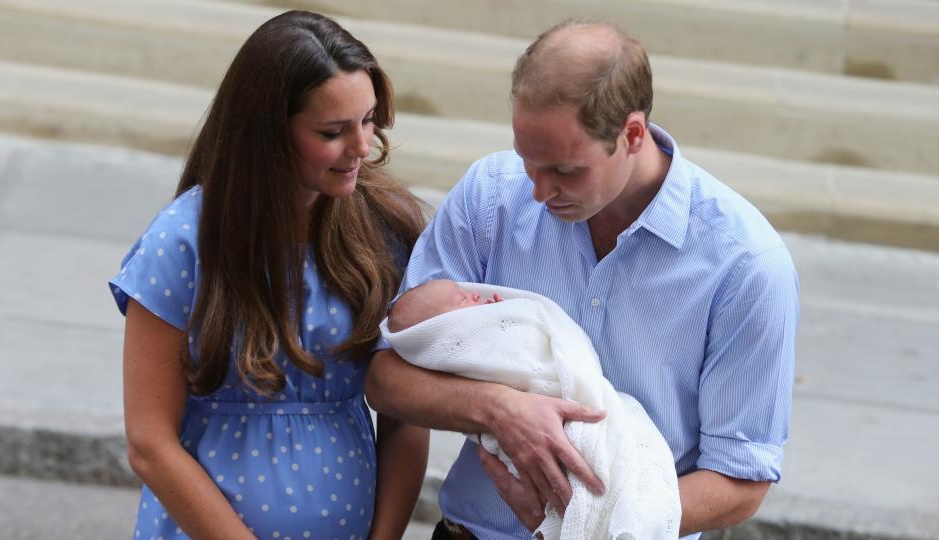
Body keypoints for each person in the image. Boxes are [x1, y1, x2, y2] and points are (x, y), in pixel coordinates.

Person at [365, 19, 799, 540]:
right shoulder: (489, 196)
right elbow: (387, 376)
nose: (538, 192)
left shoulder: (745, 262)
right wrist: (500, 411)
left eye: (565, 171)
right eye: (529, 162)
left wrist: (586, 519)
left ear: (632, 135)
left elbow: (741, 477)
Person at [109, 11, 429, 539]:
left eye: (370, 120)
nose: (363, 147)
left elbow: (406, 418)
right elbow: (149, 444)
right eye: (333, 131)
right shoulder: (185, 242)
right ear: (268, 135)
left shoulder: (385, 232)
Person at [382, 280, 681, 539]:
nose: (474, 296)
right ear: (442, 333)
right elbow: (382, 377)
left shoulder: (724, 253)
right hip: (468, 531)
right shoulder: (460, 346)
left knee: (612, 453)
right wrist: (499, 407)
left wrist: (620, 512)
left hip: (597, 414)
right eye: (461, 300)